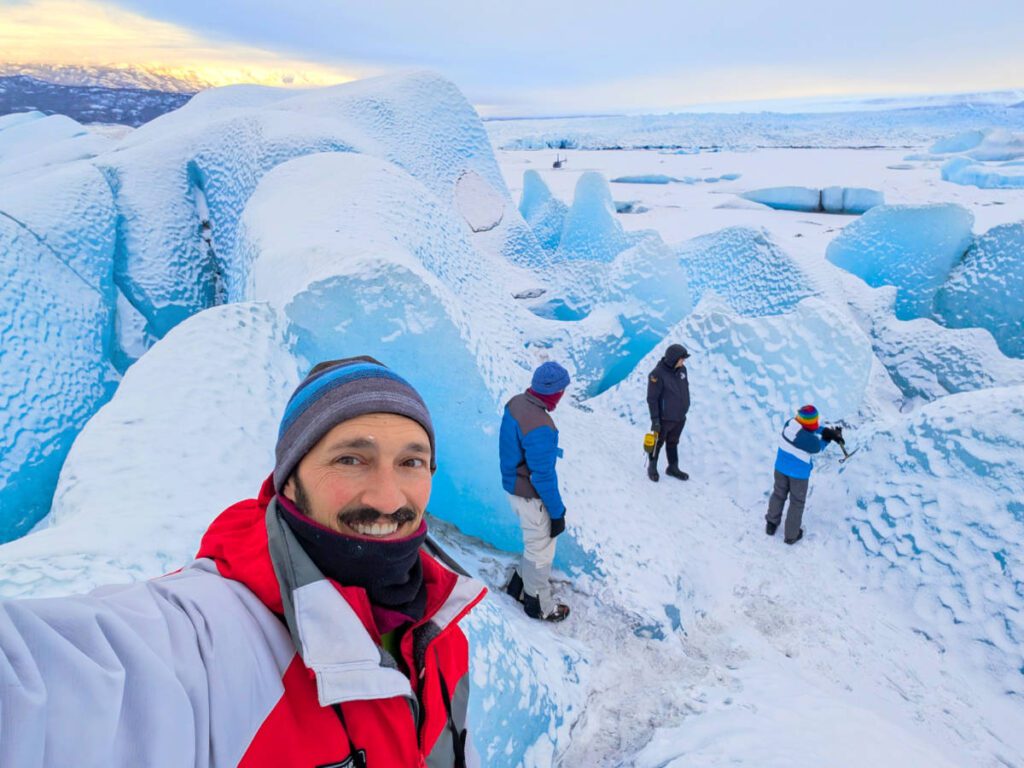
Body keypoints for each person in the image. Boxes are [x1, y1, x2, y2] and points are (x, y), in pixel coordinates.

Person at [0, 356, 486, 768]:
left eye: (411, 462)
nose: (387, 497)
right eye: (350, 460)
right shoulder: (209, 638)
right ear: (289, 481)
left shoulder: (441, 633)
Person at [499, 361, 571, 622]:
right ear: (555, 392)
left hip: (513, 487)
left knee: (533, 543)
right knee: (541, 550)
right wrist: (557, 512)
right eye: (562, 391)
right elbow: (542, 476)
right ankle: (538, 604)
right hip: (531, 496)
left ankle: (518, 584)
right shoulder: (541, 425)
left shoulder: (516, 403)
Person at [765, 404, 843, 544]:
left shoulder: (790, 424)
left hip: (780, 468)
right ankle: (791, 535)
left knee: (778, 494)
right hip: (798, 475)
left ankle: (771, 524)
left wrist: (825, 430)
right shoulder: (811, 441)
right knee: (796, 502)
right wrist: (829, 438)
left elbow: (807, 429)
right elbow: (818, 447)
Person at [646, 343, 691, 482]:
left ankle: (673, 467)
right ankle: (652, 467)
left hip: (679, 417)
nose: (683, 361)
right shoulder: (657, 374)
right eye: (681, 359)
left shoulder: (682, 370)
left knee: (673, 442)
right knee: (657, 443)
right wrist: (655, 420)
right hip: (664, 418)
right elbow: (652, 399)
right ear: (673, 359)